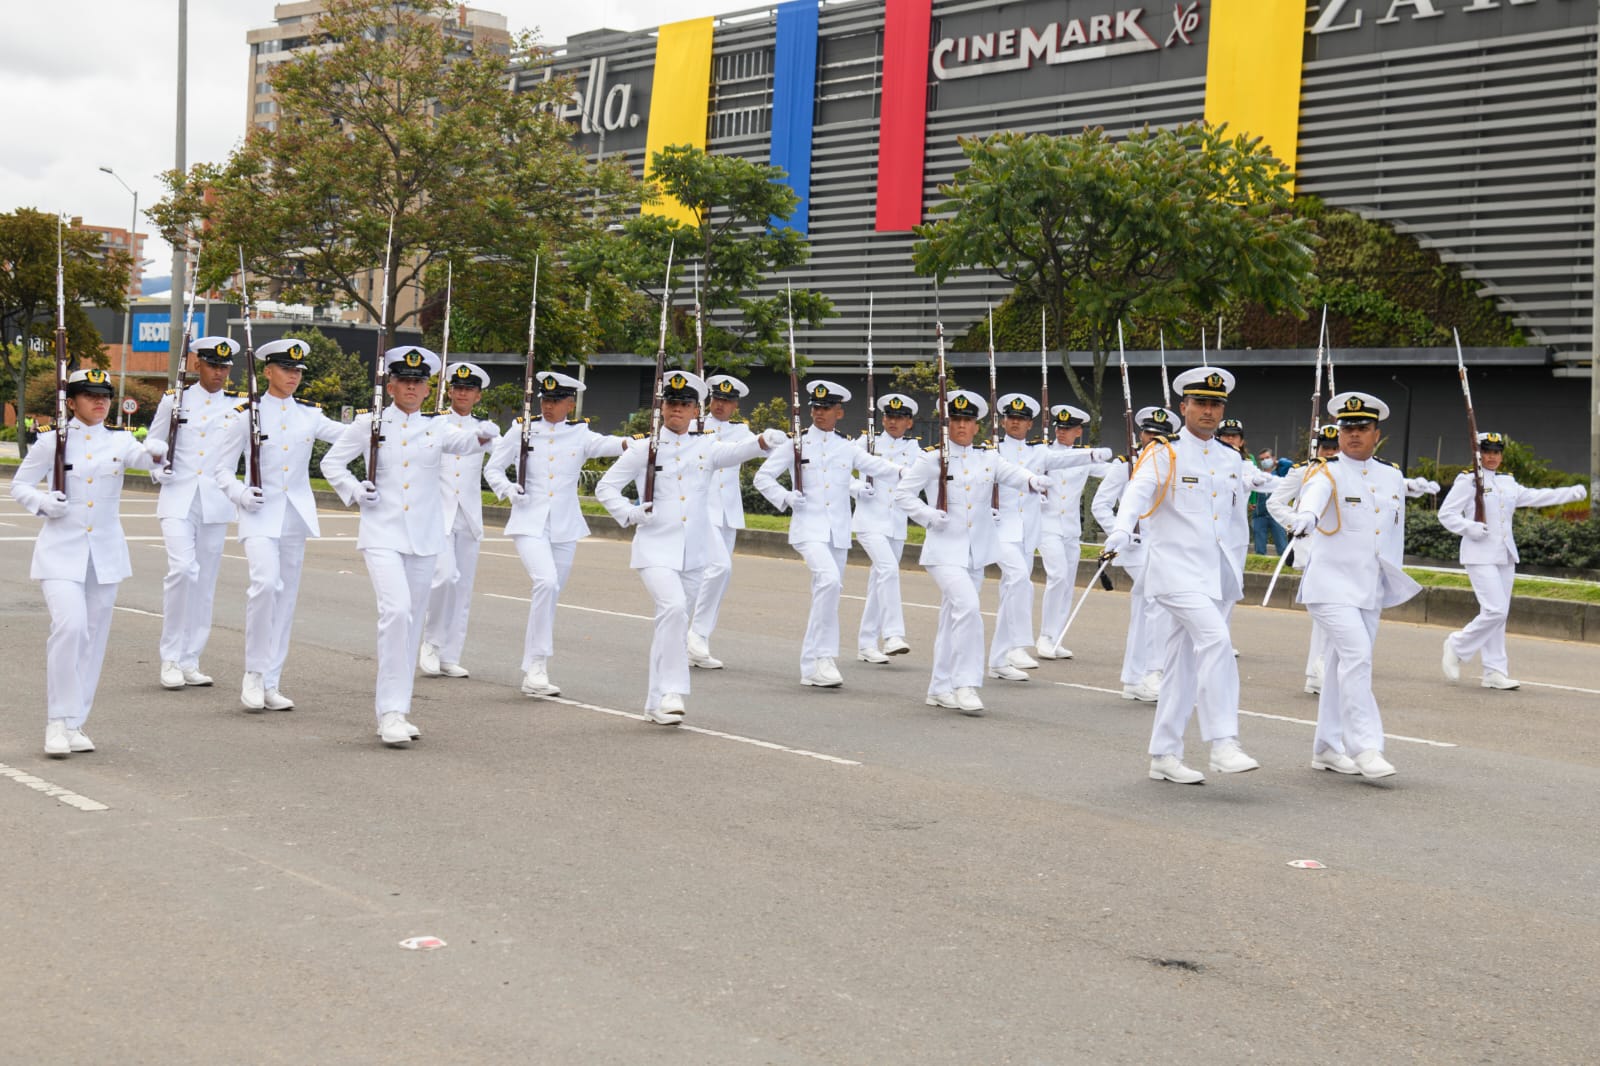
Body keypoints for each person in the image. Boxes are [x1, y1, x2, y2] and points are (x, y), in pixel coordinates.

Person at [321, 345, 496, 747]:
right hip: (382, 533)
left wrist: (486, 435)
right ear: (392, 384)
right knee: (397, 612)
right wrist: (354, 489)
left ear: (426, 386)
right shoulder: (370, 425)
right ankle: (388, 712)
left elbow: (467, 443)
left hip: (424, 536)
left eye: (419, 382)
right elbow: (332, 463)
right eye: (405, 380)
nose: (412, 388)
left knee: (412, 621)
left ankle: (398, 709)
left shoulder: (436, 428)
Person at [595, 371, 784, 724]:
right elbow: (605, 488)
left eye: (684, 404)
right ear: (662, 406)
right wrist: (630, 513)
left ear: (696, 410)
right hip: (655, 547)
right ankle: (672, 692)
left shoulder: (707, 445)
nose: (676, 410)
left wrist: (761, 441)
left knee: (672, 622)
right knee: (674, 608)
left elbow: (734, 452)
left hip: (694, 551)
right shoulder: (644, 447)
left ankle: (654, 702)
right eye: (671, 403)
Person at [1103, 367, 1260, 784]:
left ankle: (1164, 754)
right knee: (1216, 640)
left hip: (1211, 573)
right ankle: (1224, 741)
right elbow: (1137, 492)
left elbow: (1231, 521)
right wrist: (1120, 531)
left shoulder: (1230, 458)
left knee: (1180, 665)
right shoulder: (1164, 451)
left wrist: (1235, 568)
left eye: (1215, 404)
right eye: (1200, 403)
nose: (1208, 411)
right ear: (1183, 407)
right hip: (1173, 571)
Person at [10, 368, 166, 755]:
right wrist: (43, 503)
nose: (100, 402)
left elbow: (151, 465)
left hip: (106, 555)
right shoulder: (52, 442)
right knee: (71, 628)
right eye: (90, 395)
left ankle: (76, 721)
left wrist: (160, 453)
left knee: (93, 639)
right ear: (71, 401)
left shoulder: (121, 439)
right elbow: (20, 485)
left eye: (105, 396)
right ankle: (56, 721)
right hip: (61, 552)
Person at [1289, 392, 1436, 779]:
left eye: (1361, 428)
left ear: (1376, 433)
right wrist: (1305, 516)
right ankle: (1367, 747)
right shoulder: (1326, 471)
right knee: (1357, 658)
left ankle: (1326, 747)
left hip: (1369, 588)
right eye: (1346, 428)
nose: (1353, 435)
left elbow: (1391, 534)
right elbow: (1314, 498)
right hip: (1329, 587)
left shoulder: (1390, 475)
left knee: (1342, 663)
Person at [894, 390, 1054, 715]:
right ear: (947, 422)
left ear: (977, 426)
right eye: (956, 420)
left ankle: (939, 688)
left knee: (950, 620)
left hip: (976, 552)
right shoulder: (932, 458)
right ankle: (965, 683)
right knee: (968, 609)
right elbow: (902, 494)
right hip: (943, 550)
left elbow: (1013, 474)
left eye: (967, 420)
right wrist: (927, 515)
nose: (962, 426)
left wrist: (1034, 481)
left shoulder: (988, 458)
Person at [213, 337, 349, 712]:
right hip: (258, 513)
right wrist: (240, 494)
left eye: (298, 371)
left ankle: (272, 680)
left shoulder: (309, 414)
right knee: (265, 584)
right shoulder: (245, 414)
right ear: (268, 371)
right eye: (287, 369)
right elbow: (221, 470)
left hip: (294, 515)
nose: (293, 376)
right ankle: (253, 675)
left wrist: (379, 422)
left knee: (285, 599)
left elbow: (348, 436)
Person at [483, 371, 626, 699]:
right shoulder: (523, 429)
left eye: (555, 401)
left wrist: (638, 442)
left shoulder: (580, 434)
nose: (548, 406)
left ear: (570, 403)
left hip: (564, 525)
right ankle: (535, 667)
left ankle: (536, 667)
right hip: (529, 520)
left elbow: (612, 444)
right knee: (545, 582)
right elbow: (493, 468)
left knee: (551, 594)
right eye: (545, 400)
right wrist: (508, 489)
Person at [754, 379, 897, 688]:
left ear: (839, 412)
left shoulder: (846, 447)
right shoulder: (796, 444)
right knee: (829, 581)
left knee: (829, 593)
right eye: (816, 408)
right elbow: (762, 477)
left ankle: (815, 663)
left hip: (838, 532)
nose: (819, 413)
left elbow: (879, 466)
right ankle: (821, 657)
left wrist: (909, 473)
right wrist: (785, 497)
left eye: (826, 408)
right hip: (808, 529)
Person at [1438, 431, 1588, 689]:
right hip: (1479, 554)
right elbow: (1446, 514)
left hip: (1504, 554)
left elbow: (1536, 497)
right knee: (1495, 610)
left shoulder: (1507, 482)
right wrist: (1470, 527)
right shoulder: (1468, 481)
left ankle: (1494, 671)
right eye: (1487, 452)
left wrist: (1571, 494)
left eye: (1496, 452)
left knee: (1499, 614)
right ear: (1478, 453)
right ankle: (1457, 644)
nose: (1493, 457)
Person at [987, 393, 1108, 680]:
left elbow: (1063, 459)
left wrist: (1093, 454)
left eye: (1021, 419)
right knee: (1020, 582)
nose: (1015, 423)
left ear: (1029, 424)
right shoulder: (991, 449)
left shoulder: (1037, 453)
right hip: (1002, 527)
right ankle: (1018, 645)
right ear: (1003, 420)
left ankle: (1000, 658)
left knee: (1014, 587)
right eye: (1011, 418)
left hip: (1029, 530)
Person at [146, 335, 241, 690]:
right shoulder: (174, 400)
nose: (219, 372)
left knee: (204, 584)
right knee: (183, 570)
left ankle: (190, 659)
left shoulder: (241, 405)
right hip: (177, 497)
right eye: (213, 365)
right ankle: (170, 656)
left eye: (225, 367)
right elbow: (153, 447)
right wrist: (159, 470)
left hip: (215, 502)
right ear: (197, 364)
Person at [419, 362, 499, 680]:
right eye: (458, 388)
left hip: (468, 514)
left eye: (469, 390)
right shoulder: (433, 424)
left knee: (463, 589)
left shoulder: (486, 429)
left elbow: (504, 457)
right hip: (438, 513)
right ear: (449, 391)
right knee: (445, 577)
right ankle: (431, 643)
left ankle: (450, 655)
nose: (462, 393)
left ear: (478, 396)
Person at [1091, 406, 1176, 702]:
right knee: (1155, 601)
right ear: (1140, 434)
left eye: (1159, 436)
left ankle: (1133, 678)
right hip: (1135, 549)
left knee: (1144, 608)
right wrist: (1120, 532)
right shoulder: (1125, 465)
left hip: (1163, 547)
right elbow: (1100, 504)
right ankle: (1152, 670)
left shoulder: (1171, 464)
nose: (1152, 439)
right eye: (1149, 433)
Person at [686, 373, 756, 670]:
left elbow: (752, 448)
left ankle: (696, 641)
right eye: (716, 399)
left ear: (735, 406)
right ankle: (695, 635)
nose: (720, 405)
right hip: (702, 509)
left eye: (726, 401)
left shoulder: (742, 432)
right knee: (714, 569)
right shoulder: (692, 426)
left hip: (728, 512)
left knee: (719, 578)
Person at [1266, 424, 1343, 694]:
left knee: (1328, 612)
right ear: (1317, 448)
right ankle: (1319, 670)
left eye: (1335, 447)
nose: (1331, 452)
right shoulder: (1303, 472)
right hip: (1312, 550)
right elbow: (1274, 503)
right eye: (1326, 447)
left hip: (1338, 551)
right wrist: (1295, 522)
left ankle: (1316, 672)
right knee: (1327, 611)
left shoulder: (1349, 474)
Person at [1036, 404, 1111, 660]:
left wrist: (1136, 463)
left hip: (1070, 528)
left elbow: (1112, 473)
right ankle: (1045, 637)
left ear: (1078, 431)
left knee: (1067, 583)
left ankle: (1056, 637)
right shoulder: (1043, 454)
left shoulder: (1083, 457)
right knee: (1057, 576)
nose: (1061, 432)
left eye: (1067, 429)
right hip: (1047, 525)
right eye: (1059, 427)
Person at [851, 393, 921, 663]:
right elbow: (838, 471)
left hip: (897, 523)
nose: (893, 421)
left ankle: (866, 644)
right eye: (889, 416)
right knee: (889, 570)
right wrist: (856, 487)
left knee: (879, 580)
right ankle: (893, 635)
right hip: (869, 520)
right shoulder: (864, 442)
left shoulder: (915, 451)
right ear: (882, 418)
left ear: (909, 422)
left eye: (900, 417)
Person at [1251, 447, 1291, 556]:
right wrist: (1252, 501)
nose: (1265, 461)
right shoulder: (1258, 474)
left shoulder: (1280, 473)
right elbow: (1250, 487)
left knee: (1282, 546)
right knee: (1259, 549)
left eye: (1267, 458)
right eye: (1262, 459)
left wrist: (1278, 462)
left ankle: (1283, 566)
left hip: (1277, 515)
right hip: (1260, 514)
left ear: (1273, 458)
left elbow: (1290, 464)